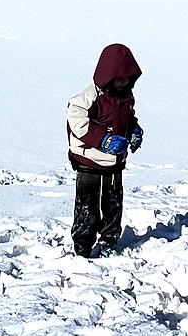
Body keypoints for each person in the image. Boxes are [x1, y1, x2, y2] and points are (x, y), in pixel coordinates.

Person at [65, 43, 144, 258]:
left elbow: (127, 118)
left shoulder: (126, 97)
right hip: (89, 161)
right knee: (87, 207)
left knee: (113, 204)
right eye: (118, 77)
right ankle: (82, 247)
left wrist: (134, 130)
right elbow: (77, 121)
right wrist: (104, 140)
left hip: (114, 162)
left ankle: (110, 242)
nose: (122, 82)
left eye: (127, 77)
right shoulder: (89, 97)